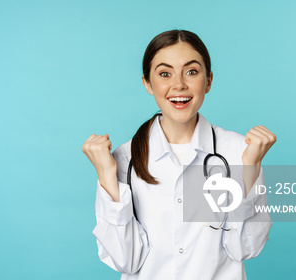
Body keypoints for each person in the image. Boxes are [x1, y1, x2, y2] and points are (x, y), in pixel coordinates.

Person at [81, 30, 276, 280]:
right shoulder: (123, 160)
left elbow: (246, 248)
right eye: (165, 73)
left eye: (191, 71)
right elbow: (125, 260)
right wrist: (107, 176)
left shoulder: (240, 151)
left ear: (208, 80)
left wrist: (251, 168)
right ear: (147, 84)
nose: (179, 84)